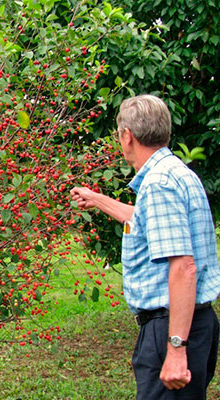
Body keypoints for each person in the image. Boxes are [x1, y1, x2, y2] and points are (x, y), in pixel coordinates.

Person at [71, 94, 220, 399]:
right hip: (196, 322)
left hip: (172, 327)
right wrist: (96, 199)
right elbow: (145, 221)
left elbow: (183, 267)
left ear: (127, 136)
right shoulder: (178, 174)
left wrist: (176, 349)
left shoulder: (159, 184)